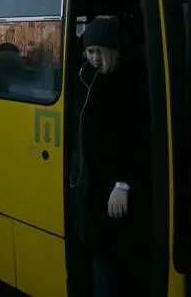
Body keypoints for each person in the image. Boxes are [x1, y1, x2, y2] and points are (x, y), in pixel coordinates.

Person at [70, 17, 141, 297]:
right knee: (93, 248)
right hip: (87, 179)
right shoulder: (83, 76)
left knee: (109, 255)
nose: (95, 58)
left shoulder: (129, 80)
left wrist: (123, 184)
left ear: (114, 50)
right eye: (90, 51)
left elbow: (137, 139)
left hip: (113, 185)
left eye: (101, 51)